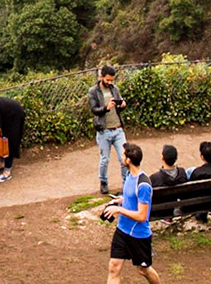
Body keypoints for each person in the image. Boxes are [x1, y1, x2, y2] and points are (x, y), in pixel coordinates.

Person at [99, 142, 160, 284]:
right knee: (114, 267)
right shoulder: (129, 176)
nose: (121, 157)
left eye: (123, 155)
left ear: (129, 160)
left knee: (143, 270)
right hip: (122, 230)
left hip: (138, 236)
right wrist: (119, 201)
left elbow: (142, 216)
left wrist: (119, 210)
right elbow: (130, 198)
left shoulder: (143, 184)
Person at [89, 64, 128, 194]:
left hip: (117, 128)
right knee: (104, 159)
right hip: (103, 130)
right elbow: (94, 110)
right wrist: (106, 108)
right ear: (101, 77)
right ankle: (103, 181)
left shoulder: (114, 89)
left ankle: (126, 183)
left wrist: (122, 105)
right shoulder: (93, 91)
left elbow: (119, 104)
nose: (110, 82)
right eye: (108, 80)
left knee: (124, 158)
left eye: (112, 80)